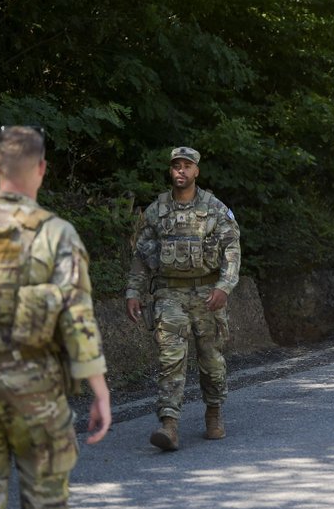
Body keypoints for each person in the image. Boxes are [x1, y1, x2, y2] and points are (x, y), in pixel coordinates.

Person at [0, 125, 111, 508]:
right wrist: (99, 389)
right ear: (42, 168)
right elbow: (78, 319)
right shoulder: (57, 234)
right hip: (36, 392)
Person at [125, 146, 240, 451]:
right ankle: (169, 424)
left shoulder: (215, 209)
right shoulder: (157, 211)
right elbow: (141, 256)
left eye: (187, 166)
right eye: (176, 166)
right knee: (170, 360)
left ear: (196, 171)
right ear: (171, 171)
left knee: (212, 361)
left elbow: (232, 250)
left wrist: (224, 287)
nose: (181, 171)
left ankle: (214, 412)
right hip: (169, 294)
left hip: (207, 295)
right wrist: (134, 292)